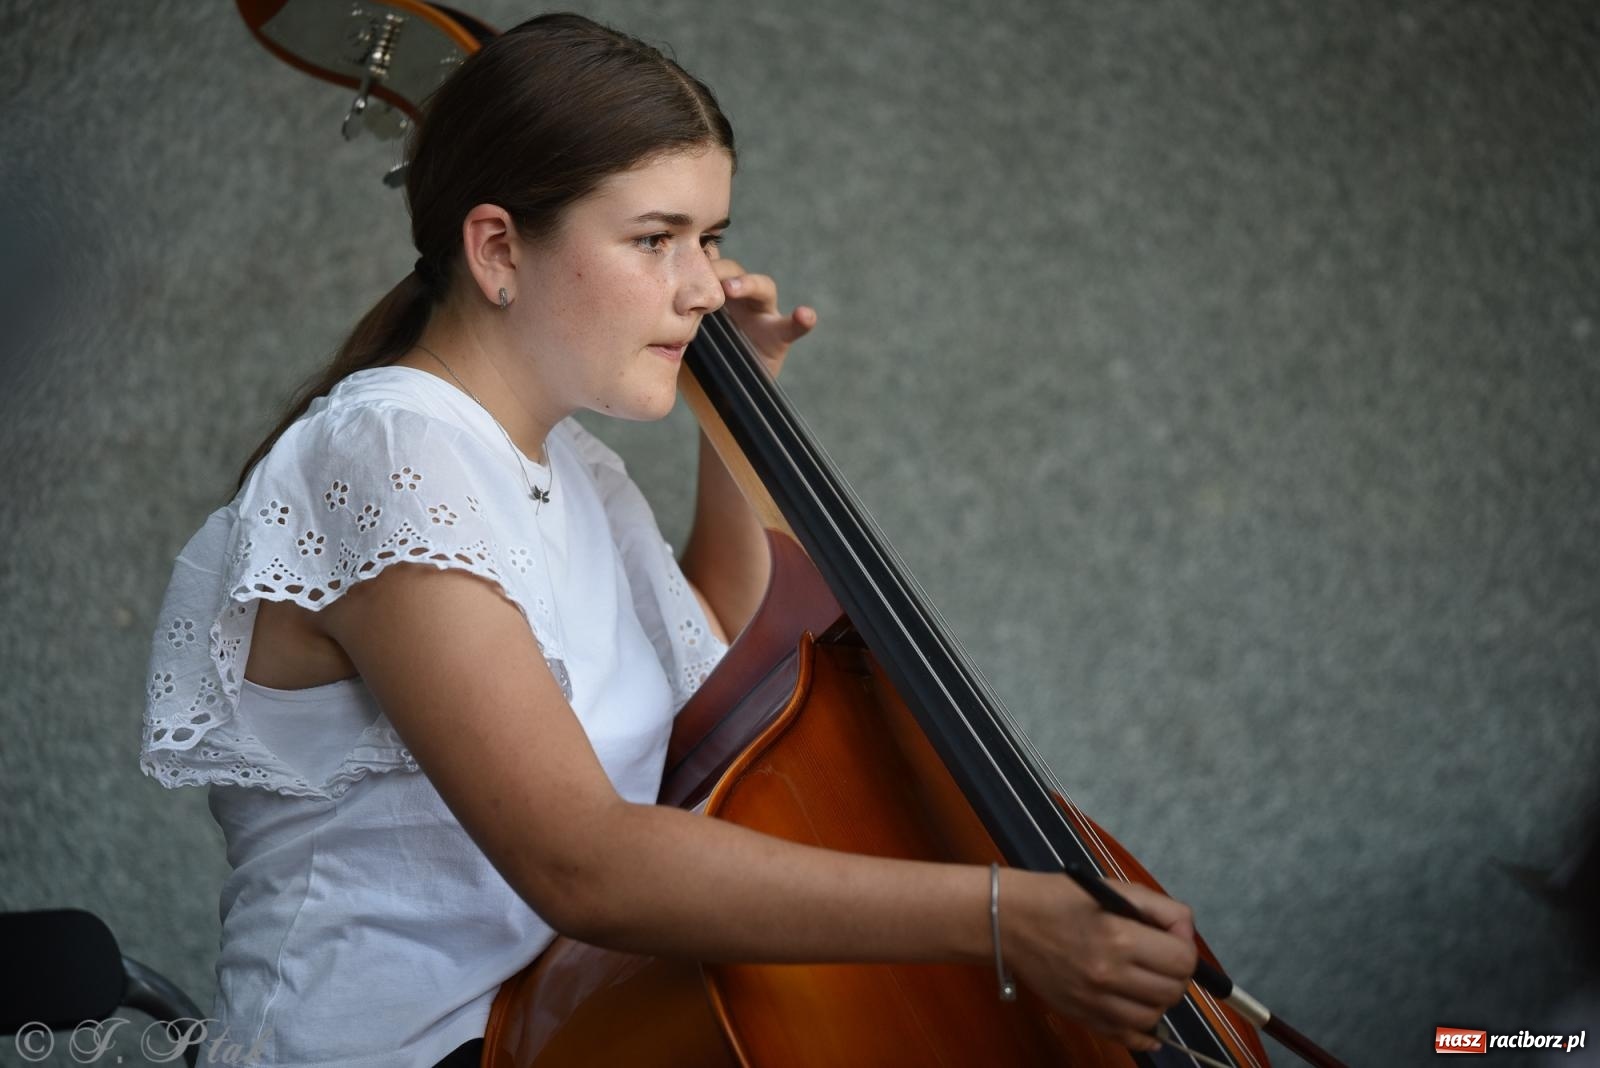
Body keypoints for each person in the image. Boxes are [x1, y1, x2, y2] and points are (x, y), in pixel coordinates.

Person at [140, 13, 1199, 1067]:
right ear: (498, 248)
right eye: (656, 239)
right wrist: (1005, 917)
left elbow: (704, 655)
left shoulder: (566, 468)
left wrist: (741, 415)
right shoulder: (390, 452)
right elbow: (580, 863)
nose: (701, 285)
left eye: (712, 238)